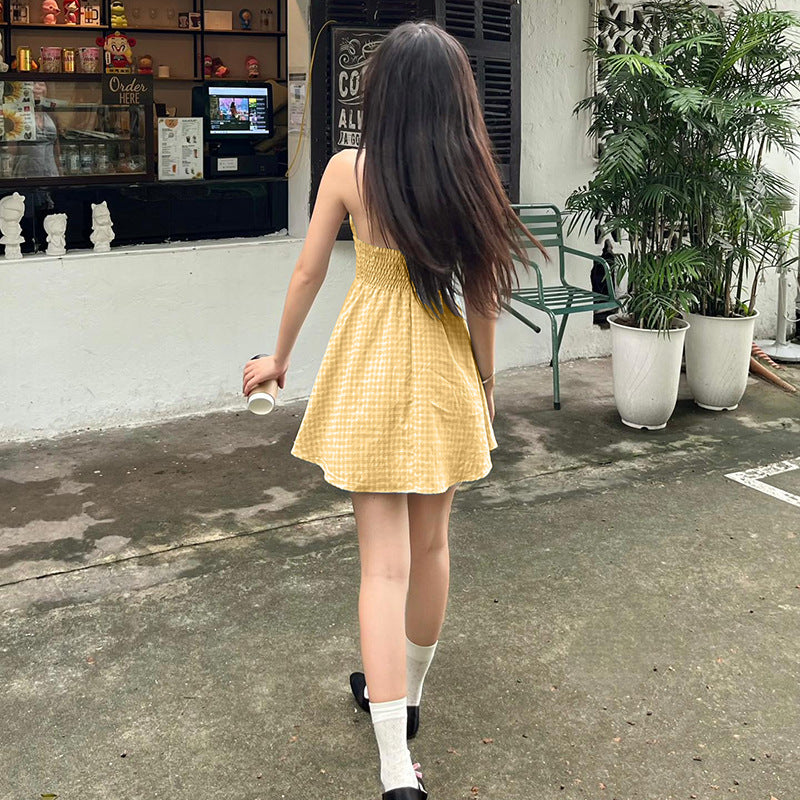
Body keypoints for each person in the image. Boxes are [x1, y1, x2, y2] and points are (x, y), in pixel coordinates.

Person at [241, 21, 544, 800]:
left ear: (380, 96)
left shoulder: (349, 169)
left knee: (382, 567)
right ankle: (407, 701)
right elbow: (484, 297)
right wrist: (485, 382)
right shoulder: (471, 175)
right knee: (431, 548)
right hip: (443, 366)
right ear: (456, 99)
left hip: (370, 365)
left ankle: (393, 767)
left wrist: (278, 358)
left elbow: (308, 272)